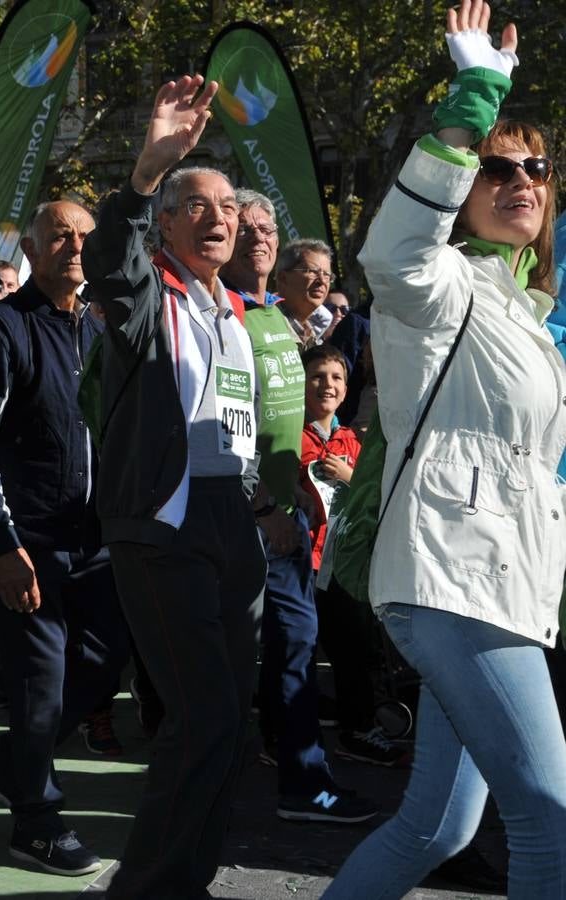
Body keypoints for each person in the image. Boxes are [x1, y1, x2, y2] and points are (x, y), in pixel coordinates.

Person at [325, 3, 566, 895]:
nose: (522, 180)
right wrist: (471, 104)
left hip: (494, 587)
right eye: (497, 167)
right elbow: (393, 246)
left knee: (436, 826)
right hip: (457, 584)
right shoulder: (435, 283)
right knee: (553, 825)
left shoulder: (520, 310)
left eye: (536, 167)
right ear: (461, 188)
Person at [82, 76, 267, 899]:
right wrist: (148, 171)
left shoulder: (233, 311)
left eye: (229, 205)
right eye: (197, 204)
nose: (219, 216)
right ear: (165, 223)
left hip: (233, 523)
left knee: (231, 726)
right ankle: (147, 889)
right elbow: (108, 257)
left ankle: (186, 881)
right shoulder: (142, 296)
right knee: (201, 718)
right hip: (163, 523)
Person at [0, 199, 129, 876]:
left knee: (103, 662)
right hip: (28, 544)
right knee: (40, 685)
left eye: (85, 235)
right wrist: (2, 543)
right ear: (31, 245)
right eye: (60, 235)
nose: (75, 246)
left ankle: (8, 764)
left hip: (94, 543)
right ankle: (34, 820)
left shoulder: (98, 326)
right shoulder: (3, 330)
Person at [226, 192, 376, 823]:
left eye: (268, 227)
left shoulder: (268, 319)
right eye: (247, 227)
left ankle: (301, 780)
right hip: (238, 518)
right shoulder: (221, 314)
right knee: (241, 650)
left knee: (292, 641)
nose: (259, 236)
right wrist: (263, 507)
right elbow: (220, 425)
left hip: (281, 524)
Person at [297, 345, 408, 768]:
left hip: (343, 564)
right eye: (317, 376)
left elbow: (373, 495)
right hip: (304, 563)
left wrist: (351, 476)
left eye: (336, 378)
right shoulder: (292, 437)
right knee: (299, 650)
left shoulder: (353, 442)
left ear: (347, 390)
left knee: (351, 650)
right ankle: (293, 732)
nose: (327, 385)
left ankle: (357, 729)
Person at [275, 239, 337, 349]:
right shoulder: (266, 324)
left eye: (327, 275)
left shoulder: (314, 337)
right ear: (283, 278)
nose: (322, 280)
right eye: (312, 271)